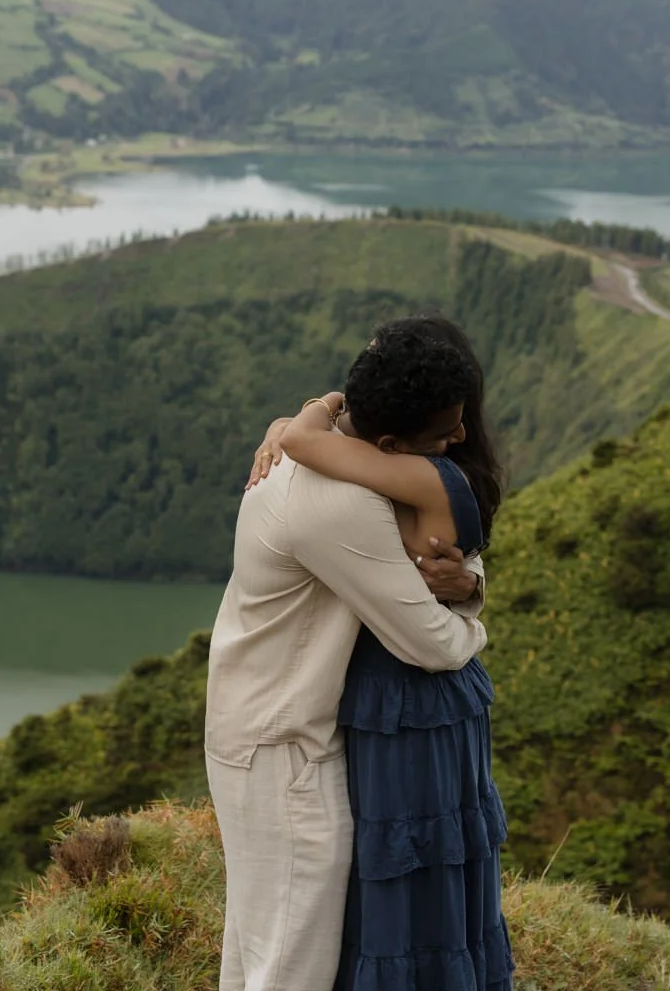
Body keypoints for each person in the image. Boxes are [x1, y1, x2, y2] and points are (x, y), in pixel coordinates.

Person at [206, 317, 490, 991]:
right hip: (285, 749)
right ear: (390, 444)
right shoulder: (339, 504)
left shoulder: (321, 447)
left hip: (255, 727)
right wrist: (475, 618)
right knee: (290, 967)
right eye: (442, 432)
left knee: (257, 947)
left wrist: (312, 407)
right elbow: (428, 640)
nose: (457, 439)